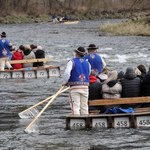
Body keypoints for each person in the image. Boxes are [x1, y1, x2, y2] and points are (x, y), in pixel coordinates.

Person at [63, 47, 91, 115]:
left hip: (74, 88)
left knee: (75, 107)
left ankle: (76, 121)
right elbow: (88, 73)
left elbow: (67, 73)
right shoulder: (88, 63)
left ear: (76, 53)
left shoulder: (71, 62)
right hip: (85, 87)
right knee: (84, 106)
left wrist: (65, 82)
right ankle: (85, 121)